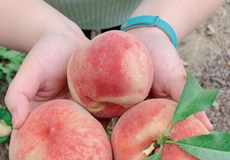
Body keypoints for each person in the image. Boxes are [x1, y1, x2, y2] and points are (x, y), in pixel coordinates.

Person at [1, 0, 224, 130]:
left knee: (113, 43)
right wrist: (43, 28)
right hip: (36, 8)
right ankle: (73, 34)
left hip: (139, 6)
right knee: (95, 50)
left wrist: (150, 28)